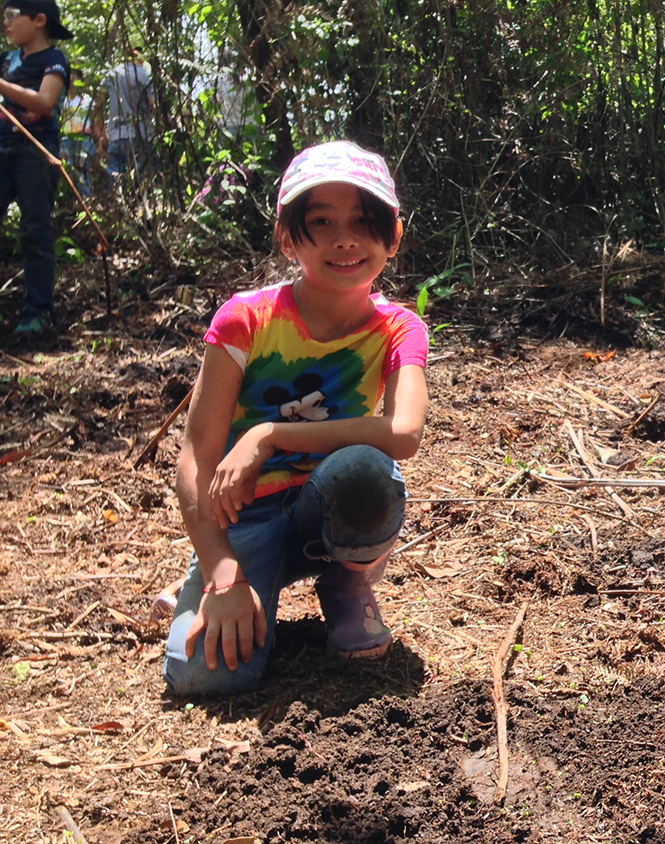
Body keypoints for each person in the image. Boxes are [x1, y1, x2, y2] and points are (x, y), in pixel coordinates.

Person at [163, 141, 429, 695]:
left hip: (324, 509)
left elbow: (403, 432)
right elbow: (197, 455)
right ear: (288, 237)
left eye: (363, 220)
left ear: (393, 234)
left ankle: (346, 584)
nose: (345, 239)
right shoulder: (245, 320)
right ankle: (239, 576)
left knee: (367, 473)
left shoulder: (399, 328)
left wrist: (269, 433)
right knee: (203, 679)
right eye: (322, 221)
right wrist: (221, 571)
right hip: (247, 517)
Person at [0, 0, 71, 334]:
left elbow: (45, 102)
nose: (6, 24)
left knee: (34, 231)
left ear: (39, 20)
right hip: (2, 151)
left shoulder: (53, 59)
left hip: (35, 153)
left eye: (12, 16)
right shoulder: (6, 61)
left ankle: (37, 313)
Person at [97, 50, 153, 188]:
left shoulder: (112, 74)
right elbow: (153, 103)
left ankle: (119, 207)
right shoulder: (144, 74)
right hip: (139, 135)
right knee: (142, 183)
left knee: (116, 183)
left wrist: (101, 134)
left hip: (115, 136)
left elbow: (98, 104)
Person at [58, 66, 90, 195]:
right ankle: (72, 201)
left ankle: (87, 199)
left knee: (85, 170)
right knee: (69, 172)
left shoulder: (86, 100)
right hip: (67, 139)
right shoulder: (62, 101)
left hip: (84, 138)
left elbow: (95, 118)